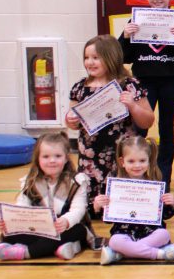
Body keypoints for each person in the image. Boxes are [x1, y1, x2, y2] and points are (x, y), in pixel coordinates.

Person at [118, 0, 174, 185]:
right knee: (139, 128)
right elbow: (123, 57)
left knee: (165, 129)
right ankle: (135, 175)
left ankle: (164, 178)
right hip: (143, 81)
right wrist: (125, 37)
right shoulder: (135, 22)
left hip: (170, 81)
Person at [65, 34, 154, 215]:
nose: (90, 62)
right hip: (90, 157)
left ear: (111, 58)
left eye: (96, 58)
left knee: (124, 209)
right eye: (86, 58)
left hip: (122, 155)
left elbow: (148, 120)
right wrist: (70, 120)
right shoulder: (79, 88)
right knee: (90, 210)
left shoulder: (129, 85)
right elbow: (72, 123)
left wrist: (132, 106)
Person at [91, 136, 174, 265]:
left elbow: (164, 216)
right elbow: (108, 220)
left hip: (151, 233)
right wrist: (98, 206)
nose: (137, 165)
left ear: (149, 161)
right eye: (131, 161)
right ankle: (159, 254)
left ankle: (122, 253)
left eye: (142, 160)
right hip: (124, 233)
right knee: (115, 241)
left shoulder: (155, 184)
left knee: (164, 234)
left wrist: (172, 203)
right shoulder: (115, 187)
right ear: (122, 162)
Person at [0, 133, 90, 261]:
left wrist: (66, 221)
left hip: (65, 229)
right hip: (39, 229)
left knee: (78, 231)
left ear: (66, 158)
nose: (52, 160)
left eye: (58, 156)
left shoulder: (77, 180)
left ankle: (27, 252)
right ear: (38, 158)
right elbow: (22, 208)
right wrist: (11, 223)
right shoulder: (30, 181)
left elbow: (78, 209)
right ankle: (66, 247)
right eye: (45, 156)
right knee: (8, 235)